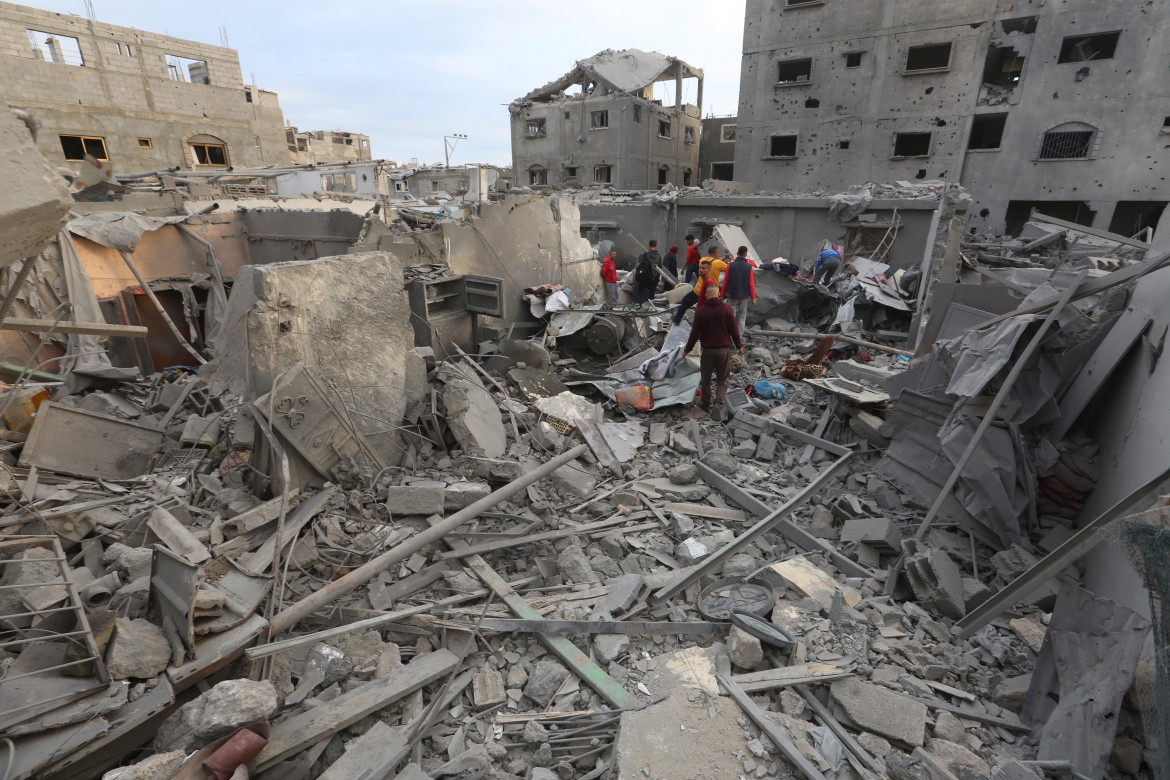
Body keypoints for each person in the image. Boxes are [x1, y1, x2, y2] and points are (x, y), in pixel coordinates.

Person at [682, 289, 742, 420]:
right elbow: (734, 329)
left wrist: (687, 350)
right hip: (724, 351)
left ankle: (706, 405)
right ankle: (718, 404)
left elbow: (694, 334)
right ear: (718, 294)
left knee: (706, 380)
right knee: (722, 379)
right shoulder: (727, 309)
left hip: (708, 351)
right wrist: (739, 345)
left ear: (705, 296)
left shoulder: (701, 311)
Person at [720, 245, 757, 336]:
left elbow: (726, 281)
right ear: (745, 254)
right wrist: (753, 298)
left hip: (731, 295)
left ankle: (729, 336)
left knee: (731, 317)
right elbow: (751, 284)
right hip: (744, 296)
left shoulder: (730, 265)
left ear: (737, 253)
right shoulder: (749, 267)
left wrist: (722, 295)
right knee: (741, 317)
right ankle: (739, 338)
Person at [672, 259, 714, 325]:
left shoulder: (708, 282)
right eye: (700, 268)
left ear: (709, 269)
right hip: (698, 303)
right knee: (684, 303)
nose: (701, 270)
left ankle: (677, 321)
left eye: (703, 268)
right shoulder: (704, 280)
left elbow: (709, 300)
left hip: (702, 313)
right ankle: (676, 321)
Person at [633, 240, 660, 305]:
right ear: (656, 246)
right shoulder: (658, 256)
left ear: (649, 245)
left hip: (644, 277)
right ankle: (651, 307)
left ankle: (639, 304)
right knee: (651, 293)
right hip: (654, 278)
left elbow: (638, 266)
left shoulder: (644, 255)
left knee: (640, 291)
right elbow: (660, 267)